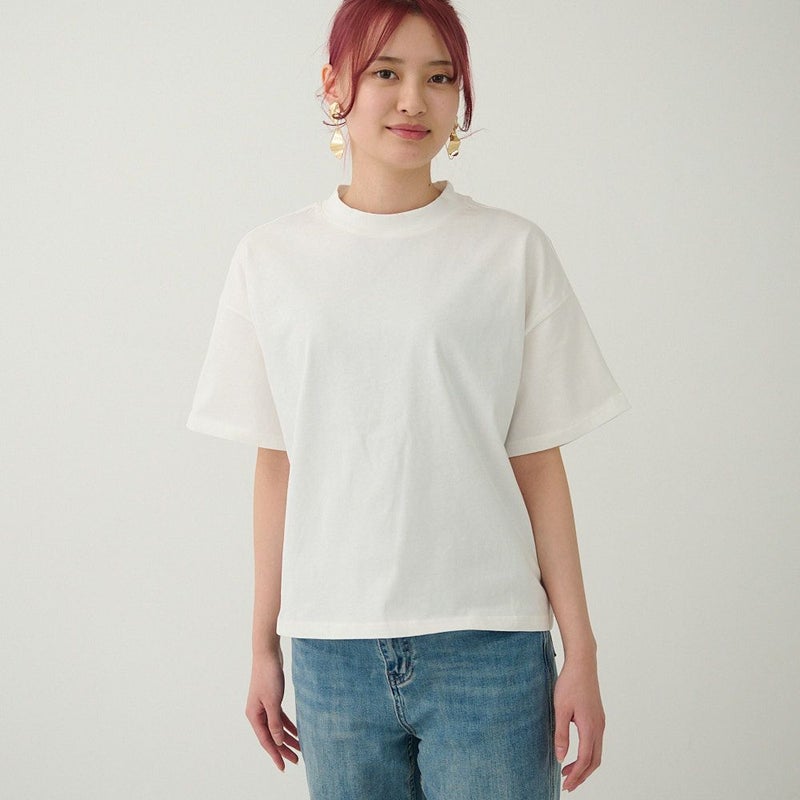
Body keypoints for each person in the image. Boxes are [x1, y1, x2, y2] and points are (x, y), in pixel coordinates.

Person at [185, 1, 631, 797]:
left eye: (440, 78)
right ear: (335, 86)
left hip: (489, 647)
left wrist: (583, 653)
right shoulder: (270, 259)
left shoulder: (510, 252)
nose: (412, 101)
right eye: (385, 73)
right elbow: (277, 464)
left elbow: (537, 462)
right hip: (331, 651)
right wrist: (261, 646)